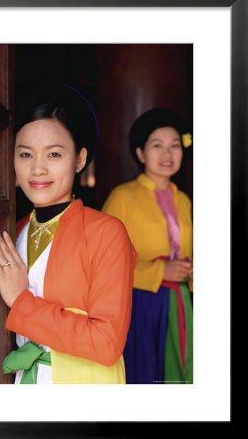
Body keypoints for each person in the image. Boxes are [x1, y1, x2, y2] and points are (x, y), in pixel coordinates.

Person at [0, 81, 137, 384]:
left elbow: (107, 344)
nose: (38, 169)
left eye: (54, 155)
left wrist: (22, 301)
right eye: (26, 154)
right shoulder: (12, 233)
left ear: (80, 159)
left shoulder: (106, 234)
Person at [102, 108, 193, 384]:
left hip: (179, 300)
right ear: (141, 154)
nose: (168, 154)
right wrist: (157, 273)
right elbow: (103, 261)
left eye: (175, 146)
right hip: (140, 301)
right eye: (158, 146)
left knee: (179, 371)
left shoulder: (184, 200)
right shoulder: (123, 197)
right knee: (145, 372)